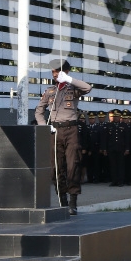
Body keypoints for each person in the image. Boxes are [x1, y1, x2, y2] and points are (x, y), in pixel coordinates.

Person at [35, 58, 92, 214]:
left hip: (71, 130)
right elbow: (39, 112)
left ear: (65, 72)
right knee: (56, 168)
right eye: (53, 72)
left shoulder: (72, 88)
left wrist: (68, 79)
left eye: (58, 71)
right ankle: (63, 202)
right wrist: (45, 127)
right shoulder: (49, 92)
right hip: (55, 132)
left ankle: (73, 202)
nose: (54, 74)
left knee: (73, 165)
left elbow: (88, 88)